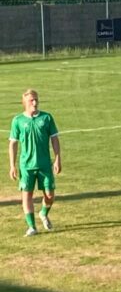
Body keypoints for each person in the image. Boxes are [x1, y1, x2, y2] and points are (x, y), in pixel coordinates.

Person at [8, 89, 61, 236]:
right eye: (31, 100)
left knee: (50, 195)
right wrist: (12, 165)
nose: (35, 103)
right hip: (26, 166)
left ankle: (43, 213)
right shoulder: (18, 120)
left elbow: (55, 139)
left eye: (36, 99)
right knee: (27, 195)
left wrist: (57, 158)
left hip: (44, 164)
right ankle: (32, 227)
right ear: (24, 103)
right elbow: (13, 143)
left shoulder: (46, 118)